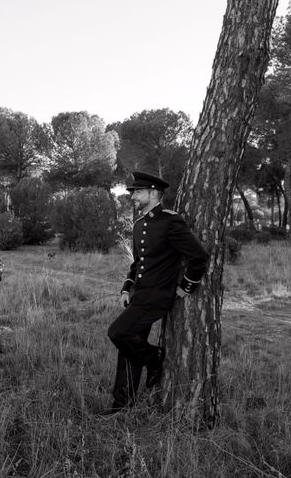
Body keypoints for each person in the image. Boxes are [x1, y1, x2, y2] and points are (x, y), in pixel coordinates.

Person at [104, 171, 210, 414]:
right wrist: (126, 288)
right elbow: (137, 264)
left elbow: (199, 257)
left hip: (158, 296)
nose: (133, 196)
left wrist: (186, 287)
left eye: (138, 192)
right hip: (139, 296)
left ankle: (154, 358)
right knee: (128, 348)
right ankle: (122, 405)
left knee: (117, 332)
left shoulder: (171, 221)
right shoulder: (140, 223)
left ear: (153, 193)